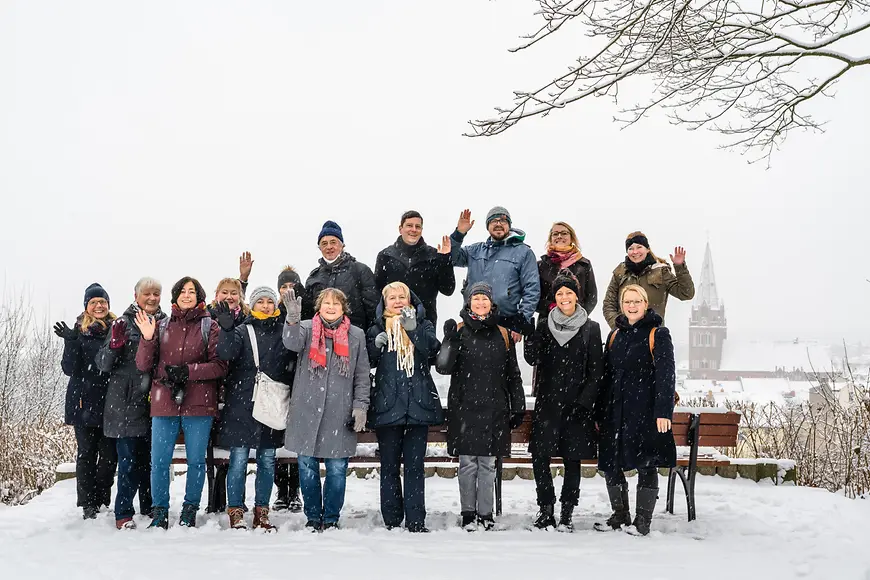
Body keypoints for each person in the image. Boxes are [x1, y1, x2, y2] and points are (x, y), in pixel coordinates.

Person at [135, 277, 227, 529]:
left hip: (199, 403)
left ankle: (189, 509)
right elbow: (143, 365)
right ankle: (160, 511)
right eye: (182, 291)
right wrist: (147, 337)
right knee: (159, 461)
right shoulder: (161, 325)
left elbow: (219, 366)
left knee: (196, 461)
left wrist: (189, 371)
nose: (187, 295)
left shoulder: (210, 326)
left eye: (192, 291)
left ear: (199, 296)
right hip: (164, 402)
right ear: (175, 296)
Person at [435, 282, 525, 531]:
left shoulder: (503, 334)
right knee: (467, 464)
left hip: (494, 407)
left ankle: (485, 514)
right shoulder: (460, 331)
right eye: (476, 299)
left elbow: (513, 375)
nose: (481, 303)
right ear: (468, 302)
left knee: (487, 464)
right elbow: (443, 367)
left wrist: (517, 406)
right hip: (464, 407)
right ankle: (467, 513)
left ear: (491, 303)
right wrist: (449, 341)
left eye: (485, 299)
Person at [282, 287, 370, 532]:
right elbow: (290, 342)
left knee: (337, 468)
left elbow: (362, 375)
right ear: (319, 307)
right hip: (306, 409)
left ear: (344, 308)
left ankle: (330, 517)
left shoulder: (356, 335)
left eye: (336, 303)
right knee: (307, 466)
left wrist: (360, 406)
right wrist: (292, 318)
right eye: (326, 303)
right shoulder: (307, 328)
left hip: (339, 412)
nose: (331, 307)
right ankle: (312, 517)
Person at [595, 284, 676, 536]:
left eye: (636, 301)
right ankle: (620, 515)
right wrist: (600, 412)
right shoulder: (614, 335)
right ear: (622, 305)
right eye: (627, 302)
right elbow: (605, 376)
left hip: (645, 411)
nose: (631, 306)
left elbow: (666, 375)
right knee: (611, 463)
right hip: (615, 411)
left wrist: (663, 412)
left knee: (646, 463)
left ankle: (642, 521)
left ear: (645, 303)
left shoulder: (657, 334)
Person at [523, 274, 603, 531]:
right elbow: (532, 358)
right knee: (540, 457)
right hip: (548, 402)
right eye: (559, 294)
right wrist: (530, 333)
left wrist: (585, 403)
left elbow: (596, 371)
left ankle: (567, 512)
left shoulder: (591, 328)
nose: (564, 297)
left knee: (573, 459)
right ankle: (546, 509)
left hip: (577, 405)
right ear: (554, 298)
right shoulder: (545, 324)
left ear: (577, 296)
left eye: (568, 293)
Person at [216, 286, 296, 532]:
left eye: (269, 301)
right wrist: (227, 330)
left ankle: (262, 511)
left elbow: (293, 357)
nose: (265, 305)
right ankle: (236, 511)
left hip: (271, 404)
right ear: (252, 305)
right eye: (259, 301)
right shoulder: (242, 330)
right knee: (239, 460)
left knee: (268, 460)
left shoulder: (284, 332)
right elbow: (225, 353)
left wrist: (293, 322)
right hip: (242, 404)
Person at [366, 282, 444, 533]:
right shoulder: (377, 327)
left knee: (414, 467)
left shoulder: (425, 324)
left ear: (410, 300)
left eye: (402, 297)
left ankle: (415, 520)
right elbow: (367, 361)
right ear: (384, 302)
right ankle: (391, 518)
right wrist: (374, 345)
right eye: (392, 298)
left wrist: (414, 331)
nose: (398, 301)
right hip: (388, 405)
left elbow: (433, 352)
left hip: (418, 405)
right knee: (388, 466)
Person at [95, 277, 165, 529]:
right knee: (128, 461)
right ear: (136, 296)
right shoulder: (122, 323)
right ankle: (123, 512)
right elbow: (102, 364)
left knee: (151, 459)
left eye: (156, 293)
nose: (152, 298)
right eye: (147, 293)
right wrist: (114, 345)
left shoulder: (165, 323)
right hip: (124, 403)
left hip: (155, 402)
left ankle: (148, 506)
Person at [56, 283, 118, 520]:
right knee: (86, 454)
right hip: (83, 401)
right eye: (94, 302)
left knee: (109, 456)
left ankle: (103, 499)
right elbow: (69, 368)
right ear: (87, 306)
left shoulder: (116, 329)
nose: (99, 306)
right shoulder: (78, 332)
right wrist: (71, 342)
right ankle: (88, 503)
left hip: (111, 402)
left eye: (102, 302)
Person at [449, 207, 540, 342]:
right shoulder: (475, 250)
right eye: (493, 221)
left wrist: (521, 322)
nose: (498, 224)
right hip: (473, 320)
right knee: (470, 362)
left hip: (505, 323)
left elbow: (532, 289)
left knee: (502, 362)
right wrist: (459, 234)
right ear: (487, 226)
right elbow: (451, 258)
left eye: (503, 221)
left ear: (509, 225)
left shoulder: (523, 252)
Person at [374, 210, 455, 325]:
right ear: (400, 229)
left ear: (421, 230)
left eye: (418, 226)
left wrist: (445, 260)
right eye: (409, 225)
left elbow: (448, 289)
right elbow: (378, 292)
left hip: (425, 323)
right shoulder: (386, 255)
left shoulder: (434, 255)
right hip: (393, 323)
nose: (413, 229)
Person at [602, 231, 694, 329]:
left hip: (653, 336)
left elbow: (686, 294)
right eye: (631, 248)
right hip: (625, 337)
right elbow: (608, 305)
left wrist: (680, 267)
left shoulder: (660, 271)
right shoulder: (620, 273)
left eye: (639, 247)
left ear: (647, 249)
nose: (635, 252)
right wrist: (619, 327)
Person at [302, 220, 378, 332]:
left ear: (342, 245)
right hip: (321, 341)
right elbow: (309, 314)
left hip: (353, 338)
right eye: (324, 243)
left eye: (333, 242)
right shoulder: (314, 277)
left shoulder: (360, 270)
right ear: (319, 248)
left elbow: (373, 309)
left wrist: (370, 337)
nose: (329, 247)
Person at [272, 267, 304, 513]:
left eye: (292, 285)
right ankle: (281, 490)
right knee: (277, 439)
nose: (288, 290)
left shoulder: (307, 314)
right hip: (278, 383)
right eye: (283, 286)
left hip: (302, 382)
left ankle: (296, 490)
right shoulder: (272, 313)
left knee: (298, 440)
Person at [536, 222, 597, 317]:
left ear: (571, 238)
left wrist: (579, 315)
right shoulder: (541, 265)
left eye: (564, 233)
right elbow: (534, 296)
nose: (559, 236)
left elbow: (591, 296)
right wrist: (550, 307)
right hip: (547, 322)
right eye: (555, 234)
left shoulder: (584, 264)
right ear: (550, 239)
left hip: (578, 323)